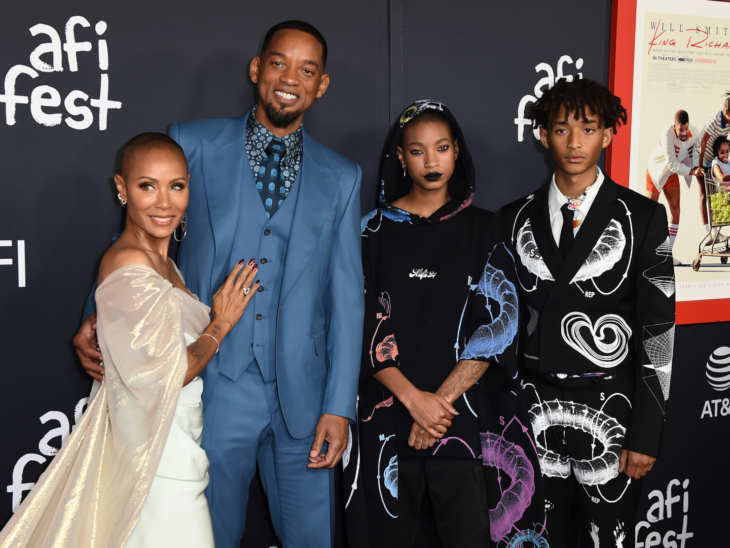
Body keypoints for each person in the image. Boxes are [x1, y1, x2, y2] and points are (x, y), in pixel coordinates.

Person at [72, 21, 364, 548]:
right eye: (278, 62)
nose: (289, 78)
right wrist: (97, 315)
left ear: (321, 85)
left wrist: (340, 406)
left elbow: (346, 297)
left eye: (307, 69)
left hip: (306, 395)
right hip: (212, 383)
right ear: (256, 69)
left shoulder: (342, 176)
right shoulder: (193, 142)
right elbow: (140, 236)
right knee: (209, 535)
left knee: (313, 539)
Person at [0, 133, 257, 547]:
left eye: (176, 186)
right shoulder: (129, 262)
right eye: (146, 186)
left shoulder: (167, 264)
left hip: (174, 440)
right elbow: (173, 373)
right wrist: (221, 323)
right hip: (154, 452)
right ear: (122, 188)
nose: (163, 202)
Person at [345, 100, 546, 548]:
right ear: (400, 157)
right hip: (387, 420)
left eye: (441, 148)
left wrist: (436, 403)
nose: (431, 161)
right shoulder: (368, 232)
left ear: (457, 151)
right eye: (417, 151)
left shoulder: (486, 229)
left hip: (463, 419)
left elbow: (500, 323)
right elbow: (356, 325)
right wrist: (414, 400)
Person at [500, 79, 675, 548]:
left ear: (608, 135)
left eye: (588, 128)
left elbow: (658, 331)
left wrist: (646, 434)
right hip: (533, 416)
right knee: (535, 539)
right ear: (542, 135)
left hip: (613, 417)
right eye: (561, 129)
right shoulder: (512, 219)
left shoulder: (643, 218)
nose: (574, 143)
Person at [645, 110, 702, 265]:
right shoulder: (666, 134)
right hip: (656, 172)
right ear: (674, 126)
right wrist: (691, 171)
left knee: (675, 211)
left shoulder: (694, 132)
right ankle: (643, 254)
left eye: (686, 129)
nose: (684, 133)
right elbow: (671, 164)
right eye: (680, 130)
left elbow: (699, 151)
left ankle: (666, 254)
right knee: (649, 214)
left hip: (672, 174)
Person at [695, 93, 730, 250]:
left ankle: (715, 231)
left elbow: (723, 142)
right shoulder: (715, 119)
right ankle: (708, 233)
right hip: (701, 156)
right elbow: (704, 141)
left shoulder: (729, 123)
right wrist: (701, 165)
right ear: (726, 111)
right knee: (704, 194)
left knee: (714, 194)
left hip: (712, 159)